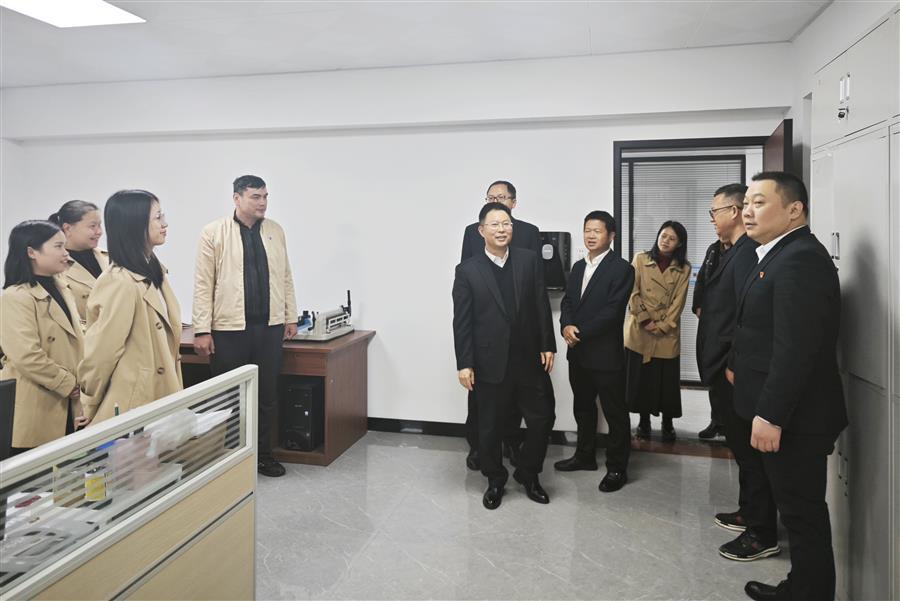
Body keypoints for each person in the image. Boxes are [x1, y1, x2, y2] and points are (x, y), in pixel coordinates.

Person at [730, 172, 847, 601]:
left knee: (802, 516)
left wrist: (771, 414)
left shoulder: (800, 259)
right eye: (746, 203)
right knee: (797, 513)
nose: (747, 211)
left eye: (759, 202)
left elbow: (796, 349)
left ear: (795, 209)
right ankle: (800, 587)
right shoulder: (776, 254)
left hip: (796, 419)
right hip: (784, 412)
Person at [692, 184, 779, 562]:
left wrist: (731, 364)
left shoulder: (746, 254)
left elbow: (749, 318)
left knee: (749, 452)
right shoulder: (728, 251)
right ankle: (749, 512)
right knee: (742, 449)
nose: (712, 219)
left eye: (714, 212)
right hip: (722, 366)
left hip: (733, 371)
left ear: (733, 211)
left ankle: (762, 532)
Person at [192, 175, 298, 478]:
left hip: (269, 327)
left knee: (266, 396)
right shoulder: (213, 232)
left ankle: (263, 456)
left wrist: (290, 316)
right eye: (255, 197)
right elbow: (203, 284)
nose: (263, 202)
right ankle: (225, 458)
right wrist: (202, 329)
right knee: (227, 397)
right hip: (229, 329)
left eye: (265, 196)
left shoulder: (275, 231)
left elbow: (285, 276)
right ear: (237, 198)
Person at [452, 202, 556, 510]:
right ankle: (495, 479)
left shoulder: (528, 260)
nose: (501, 229)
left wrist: (547, 344)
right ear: (481, 230)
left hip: (528, 358)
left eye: (506, 223)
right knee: (489, 426)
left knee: (542, 418)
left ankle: (528, 473)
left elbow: (540, 304)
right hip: (489, 362)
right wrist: (465, 363)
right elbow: (462, 322)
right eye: (495, 224)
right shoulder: (467, 271)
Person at [78, 190, 182, 424]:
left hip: (159, 392)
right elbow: (102, 351)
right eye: (158, 217)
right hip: (133, 399)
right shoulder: (119, 281)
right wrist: (88, 402)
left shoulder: (154, 270)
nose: (165, 224)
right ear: (135, 224)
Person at [459, 180, 542, 470]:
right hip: (487, 337)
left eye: (502, 197)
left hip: (519, 338)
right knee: (480, 402)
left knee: (518, 401)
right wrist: (466, 358)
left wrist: (543, 341)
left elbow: (537, 289)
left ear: (514, 202)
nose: (496, 201)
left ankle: (512, 444)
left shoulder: (529, 232)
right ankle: (478, 449)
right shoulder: (473, 231)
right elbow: (467, 277)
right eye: (491, 197)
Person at [554, 211, 635, 492]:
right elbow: (568, 302)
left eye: (597, 231)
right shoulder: (578, 267)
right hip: (577, 353)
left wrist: (579, 333)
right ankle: (584, 456)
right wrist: (566, 326)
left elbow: (612, 312)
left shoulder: (622, 269)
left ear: (611, 236)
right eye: (587, 230)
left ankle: (617, 468)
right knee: (583, 407)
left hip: (605, 355)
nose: (590, 235)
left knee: (615, 412)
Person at [1, 221, 86, 452]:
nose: (66, 253)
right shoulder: (15, 297)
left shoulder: (62, 287)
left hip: (70, 399)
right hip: (39, 404)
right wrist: (67, 383)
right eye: (58, 246)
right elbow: (27, 356)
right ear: (31, 252)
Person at [624, 221, 690, 442]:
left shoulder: (684, 268)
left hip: (665, 333)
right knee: (642, 379)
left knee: (666, 381)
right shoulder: (640, 259)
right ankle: (644, 422)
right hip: (639, 329)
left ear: (679, 243)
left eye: (672, 238)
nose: (666, 241)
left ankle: (667, 422)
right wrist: (645, 319)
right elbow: (632, 291)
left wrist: (662, 326)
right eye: (663, 236)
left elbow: (679, 302)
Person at [48, 200, 109, 320]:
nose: (99, 232)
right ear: (68, 228)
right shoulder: (55, 268)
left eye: (99, 225)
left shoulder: (109, 258)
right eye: (92, 226)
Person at [692, 237, 726, 439]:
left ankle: (729, 425)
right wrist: (697, 304)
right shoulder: (713, 248)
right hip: (709, 319)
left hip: (727, 320)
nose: (714, 222)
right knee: (712, 370)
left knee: (727, 376)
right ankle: (716, 421)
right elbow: (702, 279)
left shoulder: (746, 249)